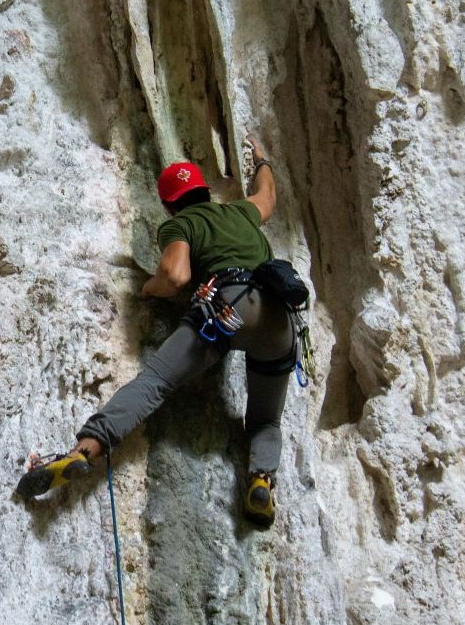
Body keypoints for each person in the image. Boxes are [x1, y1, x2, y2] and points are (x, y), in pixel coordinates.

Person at [16, 137, 296, 527]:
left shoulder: (180, 224)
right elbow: (266, 195)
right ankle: (260, 480)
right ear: (203, 190)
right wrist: (262, 159)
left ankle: (84, 451)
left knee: (155, 382)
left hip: (227, 308)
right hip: (279, 320)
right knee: (266, 419)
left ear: (169, 203)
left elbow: (175, 274)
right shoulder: (241, 213)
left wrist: (148, 289)